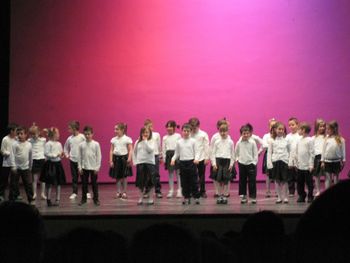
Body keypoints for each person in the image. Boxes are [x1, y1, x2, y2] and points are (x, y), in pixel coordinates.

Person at [171, 123, 200, 205]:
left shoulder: (193, 141)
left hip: (191, 162)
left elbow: (197, 152)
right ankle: (186, 197)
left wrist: (196, 159)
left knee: (194, 181)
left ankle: (196, 197)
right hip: (182, 163)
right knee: (184, 182)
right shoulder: (179, 142)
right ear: (182, 131)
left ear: (190, 132)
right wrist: (173, 159)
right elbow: (176, 153)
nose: (186, 132)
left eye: (188, 131)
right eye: (184, 131)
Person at [40, 127, 66, 206]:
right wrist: (55, 155)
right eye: (57, 133)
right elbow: (46, 153)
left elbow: (61, 153)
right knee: (49, 182)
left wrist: (62, 155)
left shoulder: (59, 144)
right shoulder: (48, 144)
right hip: (50, 165)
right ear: (54, 134)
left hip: (58, 164)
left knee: (58, 183)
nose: (59, 135)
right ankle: (48, 198)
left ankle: (57, 199)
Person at [210, 124, 235, 204]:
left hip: (227, 162)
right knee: (219, 180)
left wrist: (231, 165)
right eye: (221, 131)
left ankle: (224, 195)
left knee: (225, 180)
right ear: (219, 132)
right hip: (218, 162)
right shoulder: (217, 142)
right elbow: (213, 153)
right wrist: (214, 164)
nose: (223, 133)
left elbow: (232, 154)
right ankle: (220, 195)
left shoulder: (230, 142)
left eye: (224, 131)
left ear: (227, 131)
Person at [267, 122, 291, 204]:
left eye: (282, 129)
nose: (281, 131)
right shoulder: (271, 141)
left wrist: (290, 162)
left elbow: (289, 151)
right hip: (275, 162)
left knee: (285, 180)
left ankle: (285, 197)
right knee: (277, 180)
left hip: (284, 162)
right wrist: (269, 163)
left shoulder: (286, 140)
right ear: (275, 130)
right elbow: (269, 153)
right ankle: (279, 197)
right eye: (279, 129)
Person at [10, 126, 34, 204]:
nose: (19, 135)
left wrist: (30, 166)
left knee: (28, 184)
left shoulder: (29, 144)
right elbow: (12, 155)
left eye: (21, 133)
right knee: (14, 184)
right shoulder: (14, 144)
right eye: (18, 134)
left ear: (25, 135)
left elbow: (30, 156)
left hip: (26, 167)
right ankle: (12, 199)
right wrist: (13, 166)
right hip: (16, 167)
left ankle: (30, 199)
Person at [78, 126, 101, 206]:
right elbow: (79, 157)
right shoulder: (81, 145)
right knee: (84, 184)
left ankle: (96, 199)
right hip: (84, 168)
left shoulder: (96, 144)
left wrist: (97, 167)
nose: (87, 136)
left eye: (89, 134)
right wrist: (79, 167)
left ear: (92, 134)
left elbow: (99, 156)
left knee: (94, 184)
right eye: (86, 134)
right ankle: (83, 199)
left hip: (93, 168)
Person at [236, 124, 258, 204]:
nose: (245, 135)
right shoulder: (239, 143)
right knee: (242, 181)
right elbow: (236, 152)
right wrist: (238, 160)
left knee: (252, 181)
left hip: (250, 164)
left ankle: (253, 197)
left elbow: (255, 154)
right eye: (244, 133)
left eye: (247, 133)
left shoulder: (252, 143)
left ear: (249, 133)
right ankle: (244, 196)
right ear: (241, 134)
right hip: (242, 164)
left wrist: (254, 162)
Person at [109, 123, 133, 199]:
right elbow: (111, 150)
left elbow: (130, 149)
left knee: (124, 176)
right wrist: (111, 160)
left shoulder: (127, 139)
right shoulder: (113, 139)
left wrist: (129, 158)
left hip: (124, 159)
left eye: (117, 129)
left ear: (122, 130)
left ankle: (124, 192)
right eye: (115, 129)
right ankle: (118, 191)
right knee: (117, 176)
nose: (115, 131)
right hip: (116, 159)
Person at [133, 127, 156, 205]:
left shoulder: (152, 141)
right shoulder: (137, 142)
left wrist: (145, 141)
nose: (145, 134)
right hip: (141, 163)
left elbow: (150, 150)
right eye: (144, 132)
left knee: (151, 182)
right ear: (141, 133)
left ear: (150, 133)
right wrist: (135, 162)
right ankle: (140, 198)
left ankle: (150, 198)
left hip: (150, 163)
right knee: (141, 182)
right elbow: (134, 152)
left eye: (147, 132)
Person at [64, 120, 86, 200]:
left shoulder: (82, 137)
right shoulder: (69, 138)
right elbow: (66, 147)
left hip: (82, 161)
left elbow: (86, 145)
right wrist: (67, 155)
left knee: (84, 177)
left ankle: (86, 192)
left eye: (69, 128)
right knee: (74, 177)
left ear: (74, 128)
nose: (68, 130)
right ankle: (74, 192)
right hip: (73, 160)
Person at [292, 122, 314, 203]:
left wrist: (311, 165)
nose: (298, 131)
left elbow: (312, 153)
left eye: (299, 129)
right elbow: (296, 153)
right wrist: (296, 163)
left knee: (309, 182)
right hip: (300, 166)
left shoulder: (310, 140)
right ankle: (302, 195)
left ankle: (310, 195)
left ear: (303, 130)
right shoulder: (299, 140)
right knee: (299, 182)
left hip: (307, 166)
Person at [321, 120, 346, 188]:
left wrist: (343, 159)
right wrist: (322, 161)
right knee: (328, 178)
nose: (327, 130)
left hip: (336, 161)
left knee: (336, 177)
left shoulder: (340, 139)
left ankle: (335, 192)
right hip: (327, 161)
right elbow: (323, 150)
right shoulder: (326, 139)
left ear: (334, 129)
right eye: (327, 129)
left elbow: (343, 150)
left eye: (329, 129)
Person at [189, 117, 209, 198]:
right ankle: (193, 191)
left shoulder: (203, 134)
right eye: (192, 127)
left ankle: (202, 191)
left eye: (195, 127)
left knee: (201, 175)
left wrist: (207, 158)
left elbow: (206, 146)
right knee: (191, 175)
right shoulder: (189, 134)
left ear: (198, 126)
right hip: (191, 158)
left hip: (201, 158)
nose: (193, 129)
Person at [209, 118, 230, 198]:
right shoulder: (215, 137)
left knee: (227, 176)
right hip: (217, 160)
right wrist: (212, 161)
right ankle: (217, 191)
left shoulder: (228, 137)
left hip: (226, 160)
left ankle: (226, 192)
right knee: (216, 176)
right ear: (218, 126)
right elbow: (211, 149)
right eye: (221, 125)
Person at [162, 120, 182, 198]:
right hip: (168, 156)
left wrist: (179, 157)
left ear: (174, 127)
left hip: (176, 155)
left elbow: (180, 147)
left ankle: (179, 190)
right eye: (168, 126)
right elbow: (163, 149)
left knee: (178, 174)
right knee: (170, 174)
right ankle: (171, 190)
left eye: (171, 126)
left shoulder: (178, 136)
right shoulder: (165, 137)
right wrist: (164, 158)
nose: (169, 128)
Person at [144, 119, 163, 198]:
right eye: (148, 126)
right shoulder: (144, 135)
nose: (150, 128)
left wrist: (161, 155)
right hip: (147, 157)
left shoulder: (156, 135)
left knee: (156, 174)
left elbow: (159, 145)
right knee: (147, 174)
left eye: (151, 126)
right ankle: (147, 191)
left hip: (155, 155)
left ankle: (158, 191)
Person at [28, 123, 47, 200]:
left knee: (42, 179)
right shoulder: (29, 141)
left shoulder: (43, 140)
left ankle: (42, 193)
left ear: (38, 133)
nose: (33, 136)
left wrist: (45, 157)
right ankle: (34, 193)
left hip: (41, 159)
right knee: (34, 179)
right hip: (34, 160)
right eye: (32, 134)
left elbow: (45, 148)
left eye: (34, 134)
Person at [0, 123, 17, 201]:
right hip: (6, 163)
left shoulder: (16, 139)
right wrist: (8, 153)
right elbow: (2, 150)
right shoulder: (5, 139)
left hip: (15, 163)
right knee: (4, 180)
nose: (16, 132)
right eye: (15, 131)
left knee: (13, 181)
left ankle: (12, 196)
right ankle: (1, 195)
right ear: (11, 131)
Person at [261, 118, 277, 197]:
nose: (273, 128)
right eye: (272, 126)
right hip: (268, 155)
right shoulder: (266, 136)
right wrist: (273, 146)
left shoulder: (278, 135)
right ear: (269, 127)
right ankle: (268, 191)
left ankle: (277, 191)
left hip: (277, 155)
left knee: (277, 173)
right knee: (268, 174)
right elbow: (264, 145)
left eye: (275, 126)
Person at [286, 117, 301, 197]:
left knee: (299, 177)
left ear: (297, 125)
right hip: (291, 159)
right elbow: (287, 149)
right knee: (290, 177)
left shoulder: (300, 135)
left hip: (299, 159)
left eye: (293, 125)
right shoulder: (288, 137)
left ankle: (300, 191)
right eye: (289, 125)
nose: (291, 126)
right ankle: (291, 191)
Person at [311, 118, 326, 197]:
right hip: (317, 157)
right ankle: (318, 190)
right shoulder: (313, 138)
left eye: (323, 126)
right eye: (320, 126)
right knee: (317, 175)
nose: (322, 128)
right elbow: (312, 150)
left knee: (327, 175)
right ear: (317, 127)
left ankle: (327, 190)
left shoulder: (326, 137)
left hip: (325, 158)